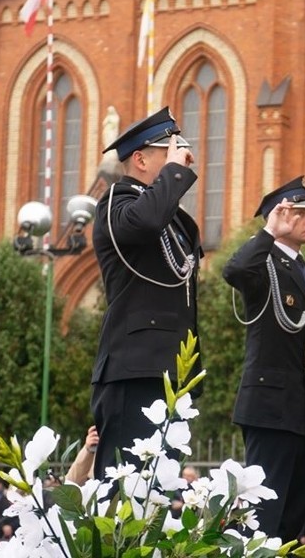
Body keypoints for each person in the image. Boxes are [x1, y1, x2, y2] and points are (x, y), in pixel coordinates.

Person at [91, 107, 202, 478]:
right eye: (167, 150)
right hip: (133, 368)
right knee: (124, 487)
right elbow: (145, 221)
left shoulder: (170, 218)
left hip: (167, 368)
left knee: (158, 491)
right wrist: (174, 174)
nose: (180, 156)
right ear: (139, 158)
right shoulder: (115, 202)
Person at [223, 176, 305, 540]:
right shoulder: (263, 262)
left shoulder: (304, 271)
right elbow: (233, 270)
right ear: (279, 217)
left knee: (292, 517)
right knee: (264, 516)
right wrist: (267, 231)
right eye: (301, 212)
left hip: (298, 413)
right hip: (269, 406)